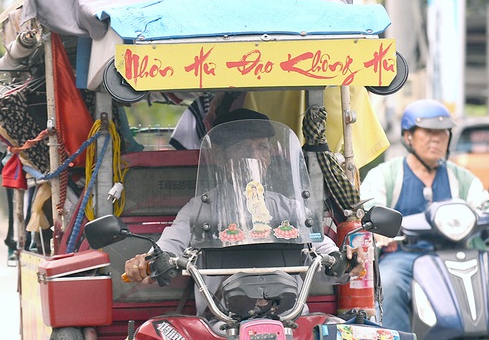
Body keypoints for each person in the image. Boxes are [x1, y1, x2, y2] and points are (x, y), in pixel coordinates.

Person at [123, 109, 352, 313]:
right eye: (243, 148)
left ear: (270, 155)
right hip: (221, 322)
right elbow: (168, 248)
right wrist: (146, 262)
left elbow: (325, 258)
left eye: (261, 147)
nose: (253, 156)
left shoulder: (290, 206)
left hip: (289, 319)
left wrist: (346, 261)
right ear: (219, 156)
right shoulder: (200, 207)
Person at [359, 99, 489, 333]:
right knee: (390, 283)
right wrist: (378, 228)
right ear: (408, 137)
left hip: (458, 255)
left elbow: (485, 201)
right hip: (406, 256)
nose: (436, 139)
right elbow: (371, 203)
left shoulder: (460, 177)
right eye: (428, 132)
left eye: (442, 133)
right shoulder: (387, 174)